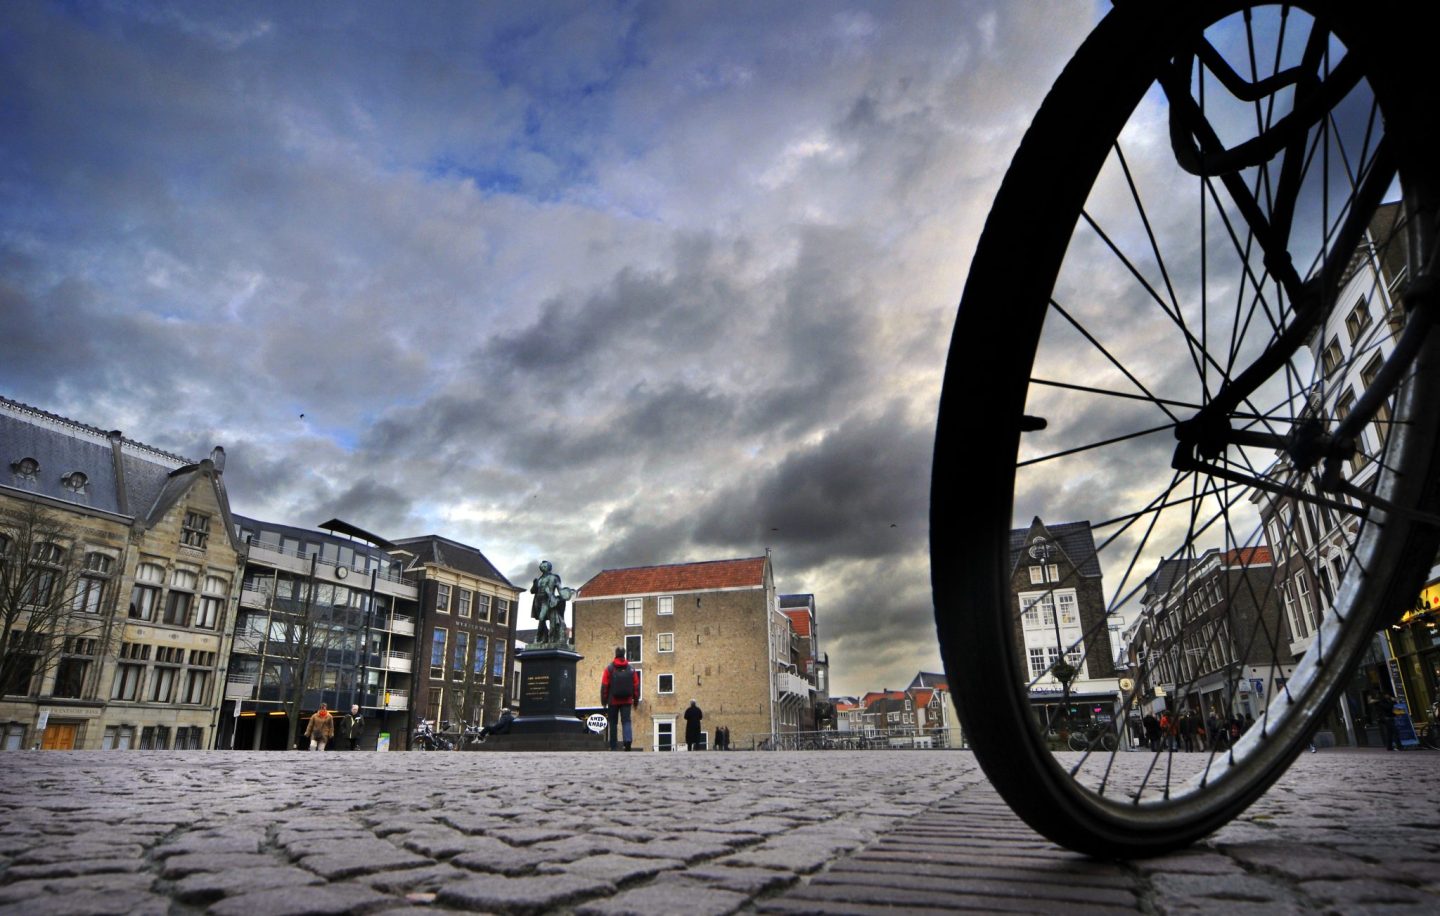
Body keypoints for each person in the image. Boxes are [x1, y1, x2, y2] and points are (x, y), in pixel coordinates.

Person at [601, 646, 640, 751]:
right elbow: (636, 686)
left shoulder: (609, 669)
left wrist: (604, 701)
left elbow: (604, 685)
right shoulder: (631, 669)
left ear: (616, 654)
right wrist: (635, 700)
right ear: (624, 654)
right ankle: (627, 741)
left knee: (613, 722)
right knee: (626, 721)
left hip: (613, 700)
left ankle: (613, 746)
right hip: (627, 700)